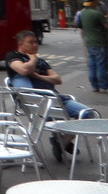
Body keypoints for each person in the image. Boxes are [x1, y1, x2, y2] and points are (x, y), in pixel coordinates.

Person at [6, 29, 93, 161]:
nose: (35, 45)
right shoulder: (13, 56)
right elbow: (23, 70)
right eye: (31, 42)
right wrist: (33, 60)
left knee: (87, 114)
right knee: (58, 117)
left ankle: (62, 141)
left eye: (36, 42)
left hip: (57, 99)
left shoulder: (41, 61)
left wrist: (38, 76)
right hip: (38, 103)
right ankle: (61, 140)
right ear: (20, 43)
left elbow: (57, 79)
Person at [78, 0, 108, 93]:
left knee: (92, 65)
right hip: (99, 42)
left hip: (89, 42)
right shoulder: (97, 14)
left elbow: (79, 25)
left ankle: (95, 86)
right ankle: (103, 85)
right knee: (101, 64)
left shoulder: (82, 13)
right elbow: (106, 26)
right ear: (93, 2)